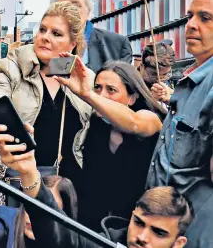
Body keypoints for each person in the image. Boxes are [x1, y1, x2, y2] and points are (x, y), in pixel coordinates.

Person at [0, 123, 193, 248]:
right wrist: (28, 172)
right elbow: (56, 235)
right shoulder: (100, 243)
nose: (142, 237)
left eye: (158, 232)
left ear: (178, 243)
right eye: (138, 222)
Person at [0, 1, 94, 204]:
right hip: (17, 187)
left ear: (72, 44)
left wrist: (89, 94)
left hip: (66, 191)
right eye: (42, 29)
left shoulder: (85, 78)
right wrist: (6, 121)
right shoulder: (12, 67)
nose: (45, 37)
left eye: (56, 33)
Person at [55, 56, 164, 230]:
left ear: (132, 98)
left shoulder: (150, 118)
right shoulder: (93, 126)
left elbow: (134, 123)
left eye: (111, 90)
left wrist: (88, 94)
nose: (102, 95)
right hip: (91, 225)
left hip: (135, 224)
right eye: (97, 88)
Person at [146, 0, 213, 247]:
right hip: (166, 228)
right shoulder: (190, 82)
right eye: (190, 16)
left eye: (205, 18)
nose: (191, 25)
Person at [0, 142, 77, 248]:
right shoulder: (10, 220)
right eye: (32, 206)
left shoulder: (74, 240)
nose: (30, 218)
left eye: (48, 209)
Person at [50, 0, 132, 74]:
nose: (70, 10)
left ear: (88, 11)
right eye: (63, 5)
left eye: (76, 5)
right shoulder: (41, 45)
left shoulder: (118, 45)